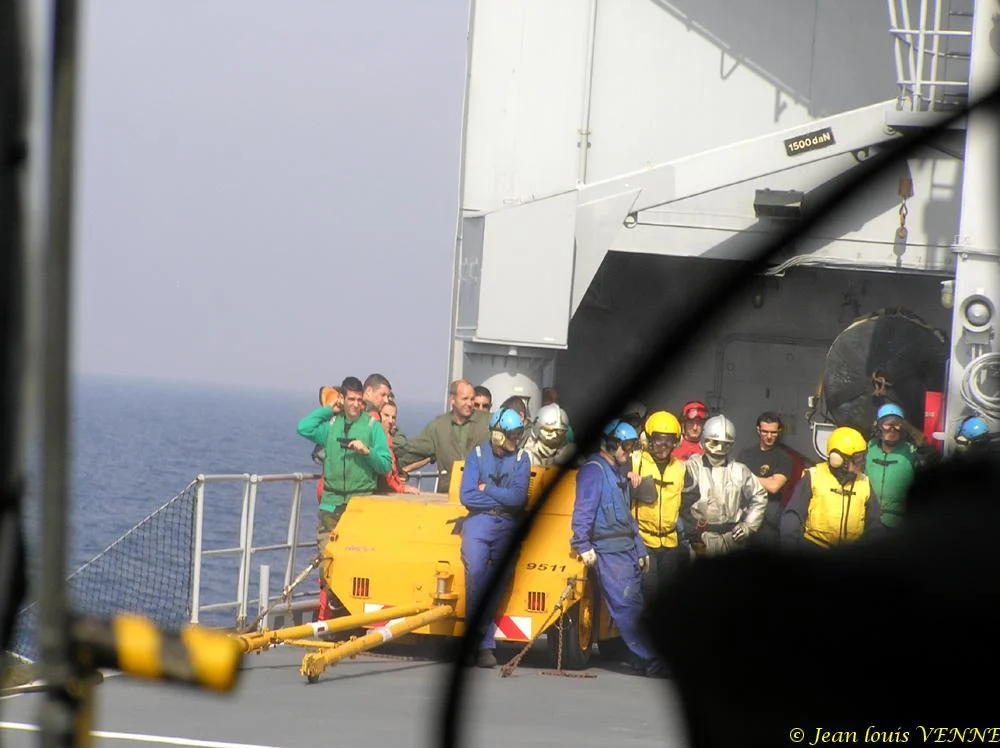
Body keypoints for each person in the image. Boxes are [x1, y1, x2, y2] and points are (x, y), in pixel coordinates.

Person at [570, 420, 665, 677]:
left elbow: (626, 515)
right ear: (611, 444)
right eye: (625, 446)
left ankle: (641, 657)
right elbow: (583, 511)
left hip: (626, 549)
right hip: (609, 551)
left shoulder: (618, 472)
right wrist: (582, 544)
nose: (629, 451)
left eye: (632, 446)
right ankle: (654, 660)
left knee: (635, 606)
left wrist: (640, 547)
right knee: (628, 608)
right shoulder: (594, 471)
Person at [297, 377, 393, 618]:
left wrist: (367, 452)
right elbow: (304, 427)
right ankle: (334, 601)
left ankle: (348, 610)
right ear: (343, 399)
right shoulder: (330, 426)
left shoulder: (372, 428)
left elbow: (384, 465)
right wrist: (330, 409)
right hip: (331, 502)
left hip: (359, 505)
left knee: (358, 561)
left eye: (360, 400)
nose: (356, 405)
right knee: (327, 559)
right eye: (351, 399)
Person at [459, 408, 531, 668]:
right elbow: (467, 496)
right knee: (475, 573)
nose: (515, 441)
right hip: (478, 520)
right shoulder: (477, 455)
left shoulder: (523, 459)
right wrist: (500, 495)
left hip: (507, 523)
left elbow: (517, 499)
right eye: (511, 436)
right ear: (498, 435)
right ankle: (484, 644)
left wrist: (487, 488)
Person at [781, 426, 884, 549]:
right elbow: (793, 516)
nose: (861, 463)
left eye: (862, 457)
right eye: (857, 458)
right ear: (838, 459)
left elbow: (874, 524)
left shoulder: (864, 482)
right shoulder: (813, 476)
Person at [680, 414, 768, 556]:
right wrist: (691, 532)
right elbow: (677, 503)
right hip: (700, 539)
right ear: (704, 440)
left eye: (726, 444)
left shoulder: (740, 470)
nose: (720, 448)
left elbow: (760, 496)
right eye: (714, 442)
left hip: (732, 539)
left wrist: (748, 525)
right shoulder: (690, 468)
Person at [628, 411, 691, 597]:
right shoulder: (635, 460)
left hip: (671, 542)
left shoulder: (680, 468)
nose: (663, 446)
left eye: (669, 441)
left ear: (676, 442)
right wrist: (626, 474)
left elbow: (689, 501)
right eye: (658, 440)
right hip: (643, 541)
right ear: (648, 440)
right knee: (649, 590)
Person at [398, 379, 490, 492]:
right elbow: (413, 450)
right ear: (452, 399)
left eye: (472, 399)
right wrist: (389, 463)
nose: (470, 403)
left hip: (481, 496)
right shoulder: (439, 426)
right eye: (465, 399)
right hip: (448, 495)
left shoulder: (487, 422)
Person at [737, 412, 794, 546]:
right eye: (765, 432)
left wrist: (746, 475)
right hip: (743, 517)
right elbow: (733, 482)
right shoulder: (745, 455)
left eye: (773, 432)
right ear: (758, 430)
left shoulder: (783, 458)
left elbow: (774, 486)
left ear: (779, 432)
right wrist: (765, 480)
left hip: (768, 523)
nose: (769, 436)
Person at [864, 403, 920, 528]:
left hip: (898, 522)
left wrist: (910, 429)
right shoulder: (869, 448)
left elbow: (931, 453)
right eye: (887, 425)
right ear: (879, 427)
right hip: (868, 520)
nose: (892, 430)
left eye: (897, 425)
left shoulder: (910, 451)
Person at [521, 403, 575, 467]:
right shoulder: (528, 454)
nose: (555, 435)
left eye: (560, 431)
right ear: (537, 428)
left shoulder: (569, 451)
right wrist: (554, 461)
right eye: (549, 431)